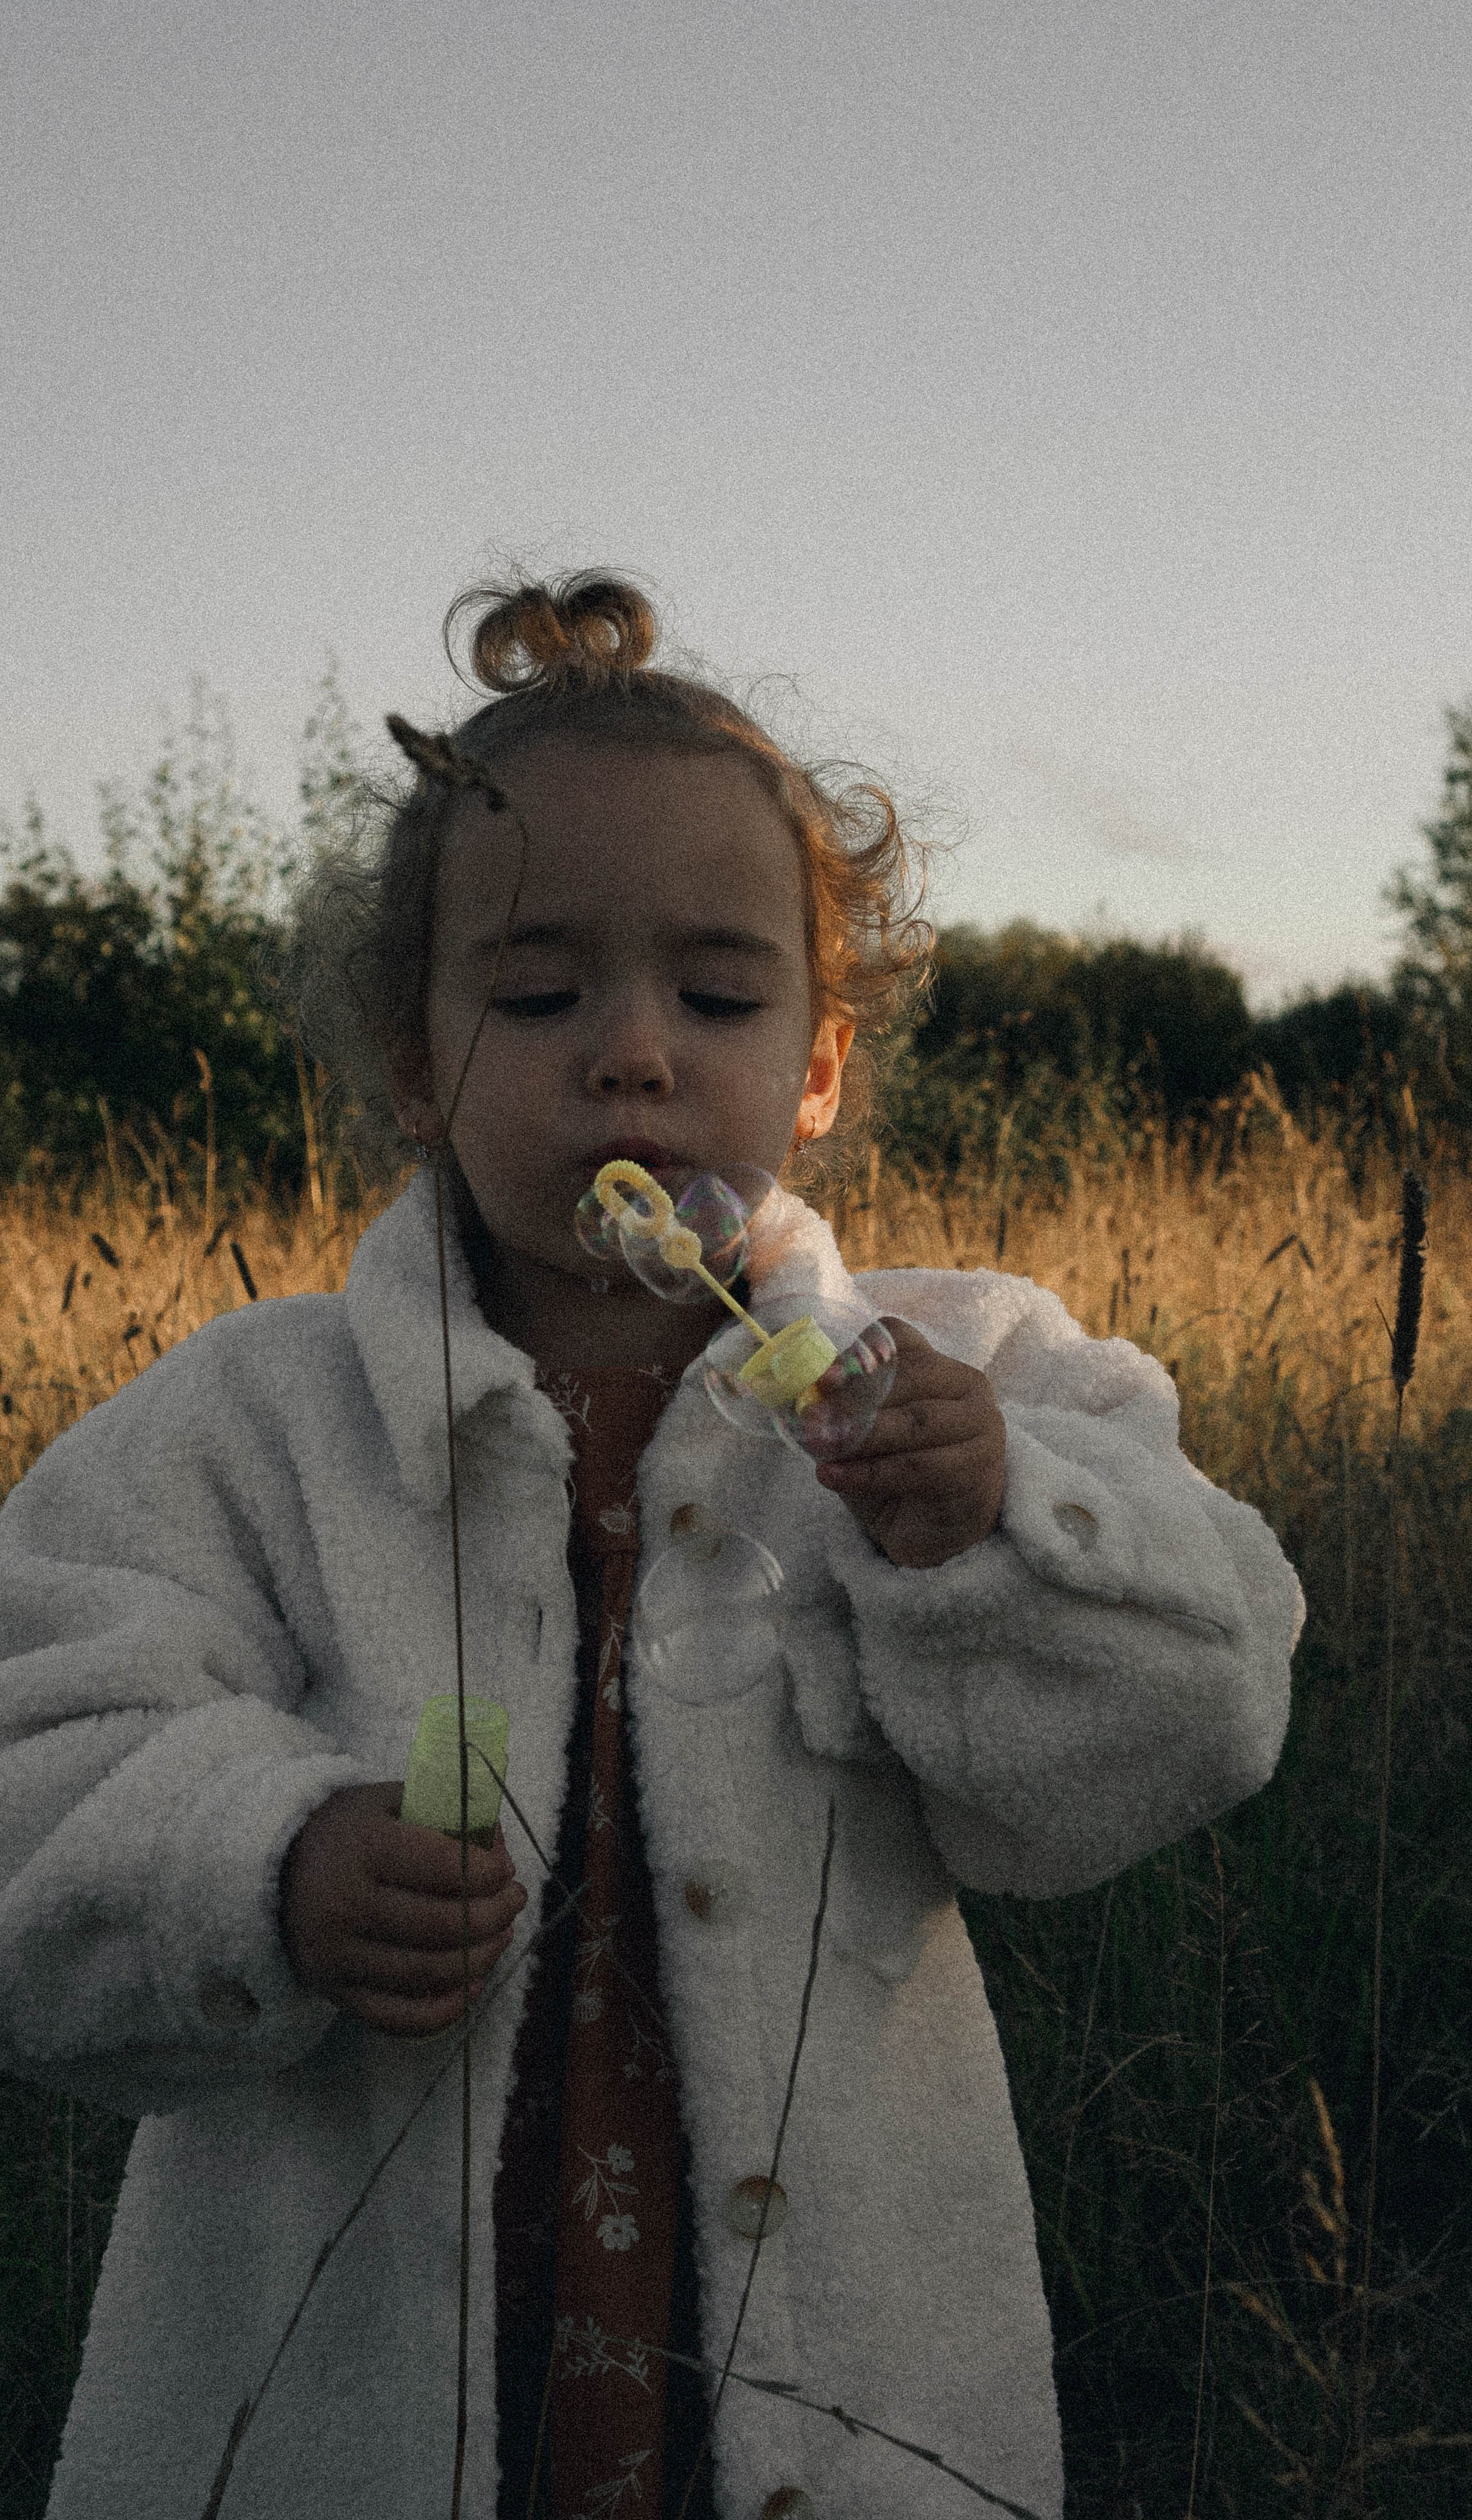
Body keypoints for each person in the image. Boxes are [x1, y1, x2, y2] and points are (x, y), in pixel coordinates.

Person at [0, 574, 1303, 2520]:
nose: (632, 1054)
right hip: (330, 2377)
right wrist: (258, 1861)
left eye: (716, 994)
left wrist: (998, 1519)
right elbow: (34, 1747)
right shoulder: (251, 1425)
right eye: (539, 995)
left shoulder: (981, 1377)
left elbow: (1204, 1710)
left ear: (824, 1060)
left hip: (835, 2379)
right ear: (416, 1057)